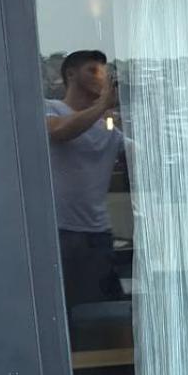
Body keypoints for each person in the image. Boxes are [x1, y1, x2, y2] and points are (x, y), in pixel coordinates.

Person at [46, 49, 126, 310]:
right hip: (62, 232)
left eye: (104, 72)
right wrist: (103, 105)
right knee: (68, 311)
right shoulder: (50, 108)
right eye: (92, 70)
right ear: (70, 74)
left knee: (102, 311)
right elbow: (60, 131)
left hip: (98, 235)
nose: (100, 77)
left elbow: (132, 150)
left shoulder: (107, 126)